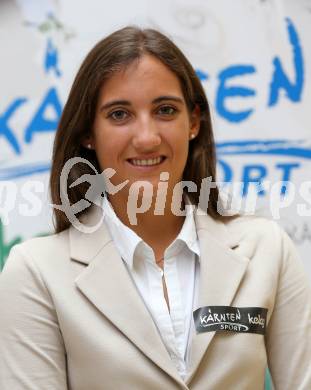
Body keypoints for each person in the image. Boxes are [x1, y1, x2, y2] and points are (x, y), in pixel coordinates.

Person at [0, 26, 310, 390]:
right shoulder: (36, 272)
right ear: (88, 132)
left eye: (165, 110)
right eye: (119, 114)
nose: (146, 138)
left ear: (193, 122)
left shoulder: (267, 248)